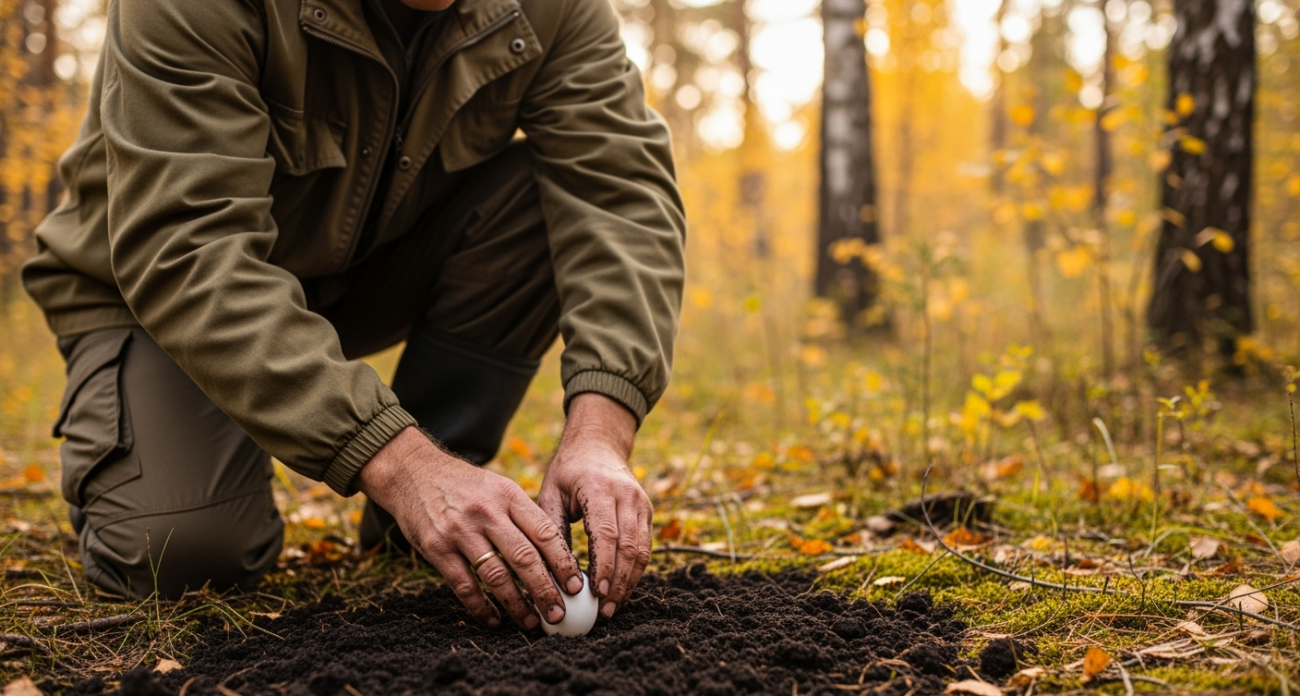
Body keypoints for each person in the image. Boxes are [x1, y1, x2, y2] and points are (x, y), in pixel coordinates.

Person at [21, 0, 685, 632]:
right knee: (180, 554)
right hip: (157, 290)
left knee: (553, 194)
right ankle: (414, 484)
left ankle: (435, 501)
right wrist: (400, 463)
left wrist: (601, 431)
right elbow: (186, 244)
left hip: (368, 277)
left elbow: (619, 191)